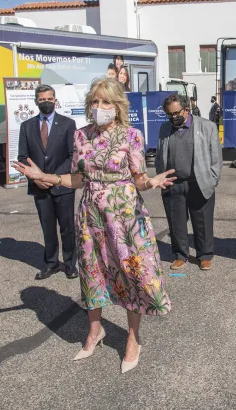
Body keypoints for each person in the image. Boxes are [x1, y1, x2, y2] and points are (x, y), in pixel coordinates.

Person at [12, 77, 176, 373]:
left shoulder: (132, 136)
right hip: (90, 214)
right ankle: (94, 331)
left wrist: (153, 181)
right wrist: (48, 178)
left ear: (118, 106)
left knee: (130, 271)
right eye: (94, 101)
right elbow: (78, 178)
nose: (99, 107)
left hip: (124, 214)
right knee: (91, 271)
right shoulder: (81, 136)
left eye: (105, 102)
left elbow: (140, 179)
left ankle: (133, 338)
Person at [18, 85, 78, 281]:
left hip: (62, 185)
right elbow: (23, 157)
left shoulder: (68, 124)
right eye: (42, 99)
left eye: (49, 99)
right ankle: (51, 264)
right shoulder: (26, 127)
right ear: (36, 101)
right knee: (48, 227)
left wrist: (49, 177)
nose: (46, 102)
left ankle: (70, 264)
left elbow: (72, 156)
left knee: (67, 227)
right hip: (39, 187)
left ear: (55, 100)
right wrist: (36, 177)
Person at [155, 94, 222, 271]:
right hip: (173, 183)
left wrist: (212, 180)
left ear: (186, 109)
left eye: (176, 113)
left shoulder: (207, 127)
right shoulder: (164, 128)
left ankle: (205, 255)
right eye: (169, 115)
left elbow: (216, 158)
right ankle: (180, 254)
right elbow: (159, 157)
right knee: (176, 222)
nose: (173, 118)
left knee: (203, 222)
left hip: (199, 182)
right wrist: (161, 177)